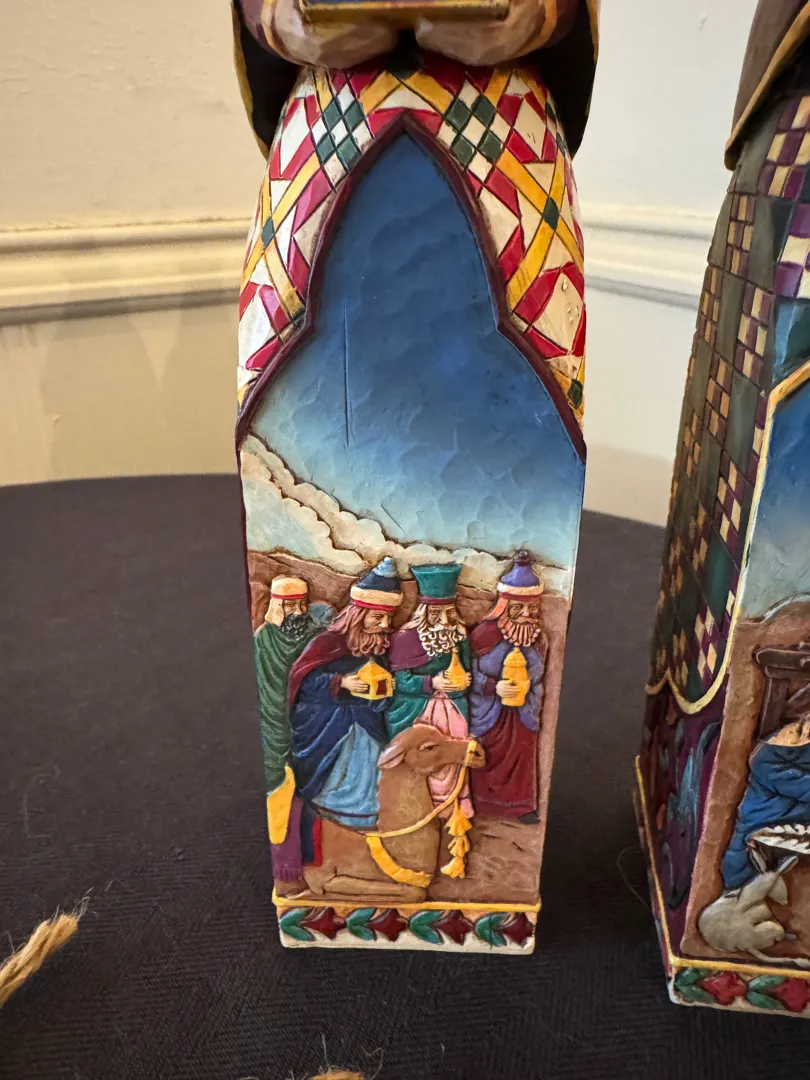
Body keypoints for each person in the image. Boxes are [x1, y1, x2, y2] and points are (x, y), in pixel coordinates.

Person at [287, 558, 403, 833]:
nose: (384, 625)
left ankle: (365, 816)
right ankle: (331, 814)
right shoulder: (327, 642)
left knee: (369, 765)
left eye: (388, 618)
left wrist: (384, 690)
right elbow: (303, 681)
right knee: (338, 770)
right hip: (328, 722)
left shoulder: (377, 645)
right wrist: (342, 682)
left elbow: (382, 680)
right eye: (377, 617)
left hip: (365, 720)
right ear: (358, 615)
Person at [388, 564, 473, 817]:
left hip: (453, 704)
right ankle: (420, 803)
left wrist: (464, 681)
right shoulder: (405, 638)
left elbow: (466, 669)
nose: (444, 621)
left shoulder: (459, 636)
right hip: (416, 707)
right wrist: (431, 683)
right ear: (424, 612)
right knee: (424, 749)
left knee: (456, 745)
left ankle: (452, 801)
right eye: (436, 614)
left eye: (449, 613)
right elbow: (400, 681)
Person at [469, 552, 547, 820]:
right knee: (487, 751)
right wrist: (493, 687)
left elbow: (539, 673)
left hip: (522, 709)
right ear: (504, 607)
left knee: (522, 753)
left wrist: (527, 686)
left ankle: (519, 806)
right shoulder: (483, 635)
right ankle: (480, 803)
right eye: (518, 608)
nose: (526, 615)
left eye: (531, 609)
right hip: (490, 710)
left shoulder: (537, 639)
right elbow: (467, 672)